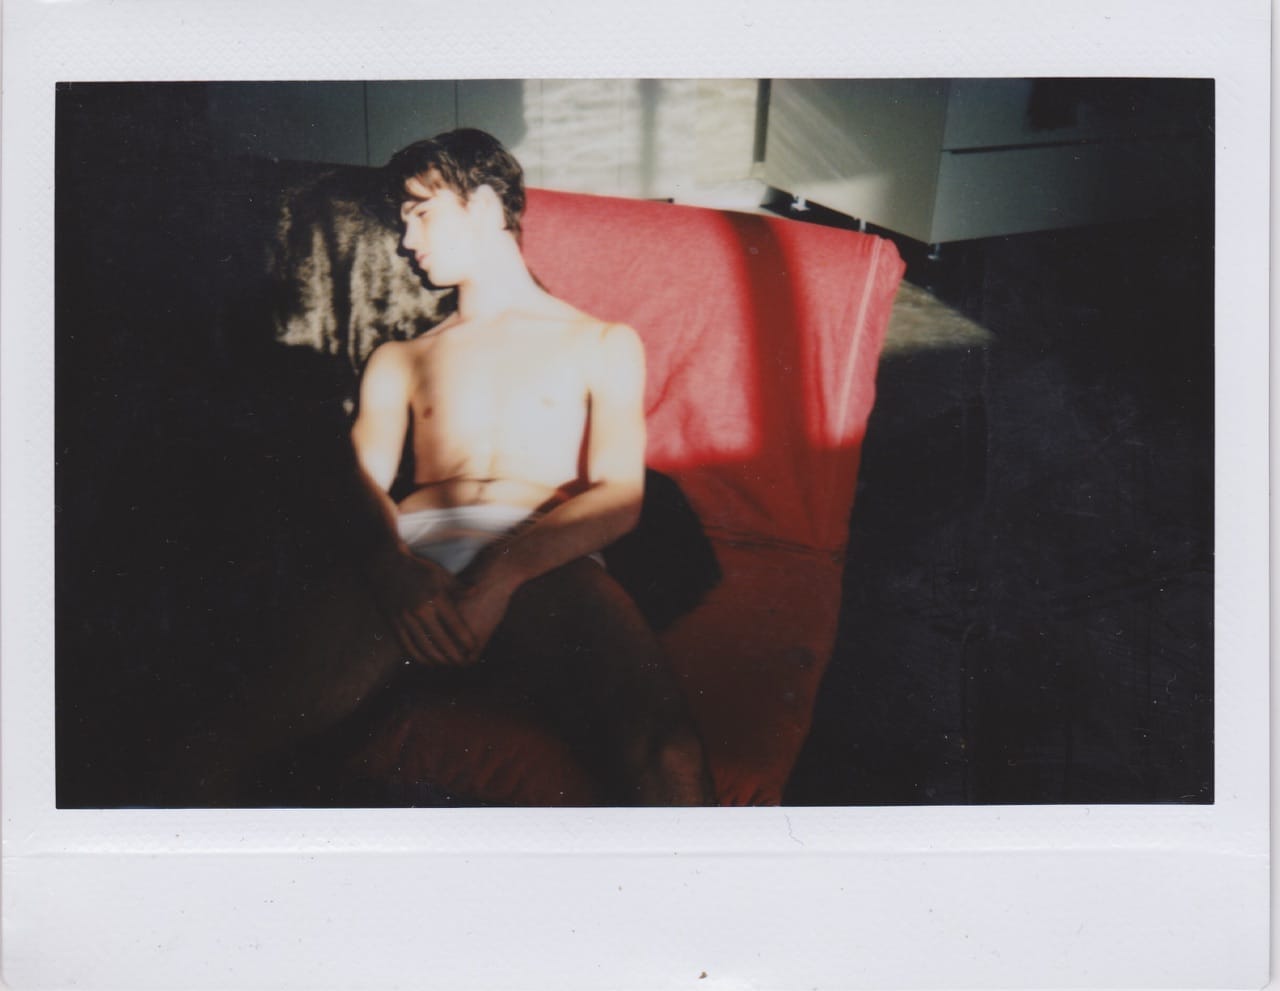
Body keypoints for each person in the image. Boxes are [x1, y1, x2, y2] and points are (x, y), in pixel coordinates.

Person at [179, 129, 714, 806]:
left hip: (540, 558)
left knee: (669, 753)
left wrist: (502, 574)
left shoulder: (601, 342)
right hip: (415, 555)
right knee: (226, 739)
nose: (407, 241)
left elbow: (619, 496)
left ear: (485, 206)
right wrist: (389, 566)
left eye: (421, 213)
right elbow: (360, 482)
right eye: (403, 221)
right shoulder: (401, 357)